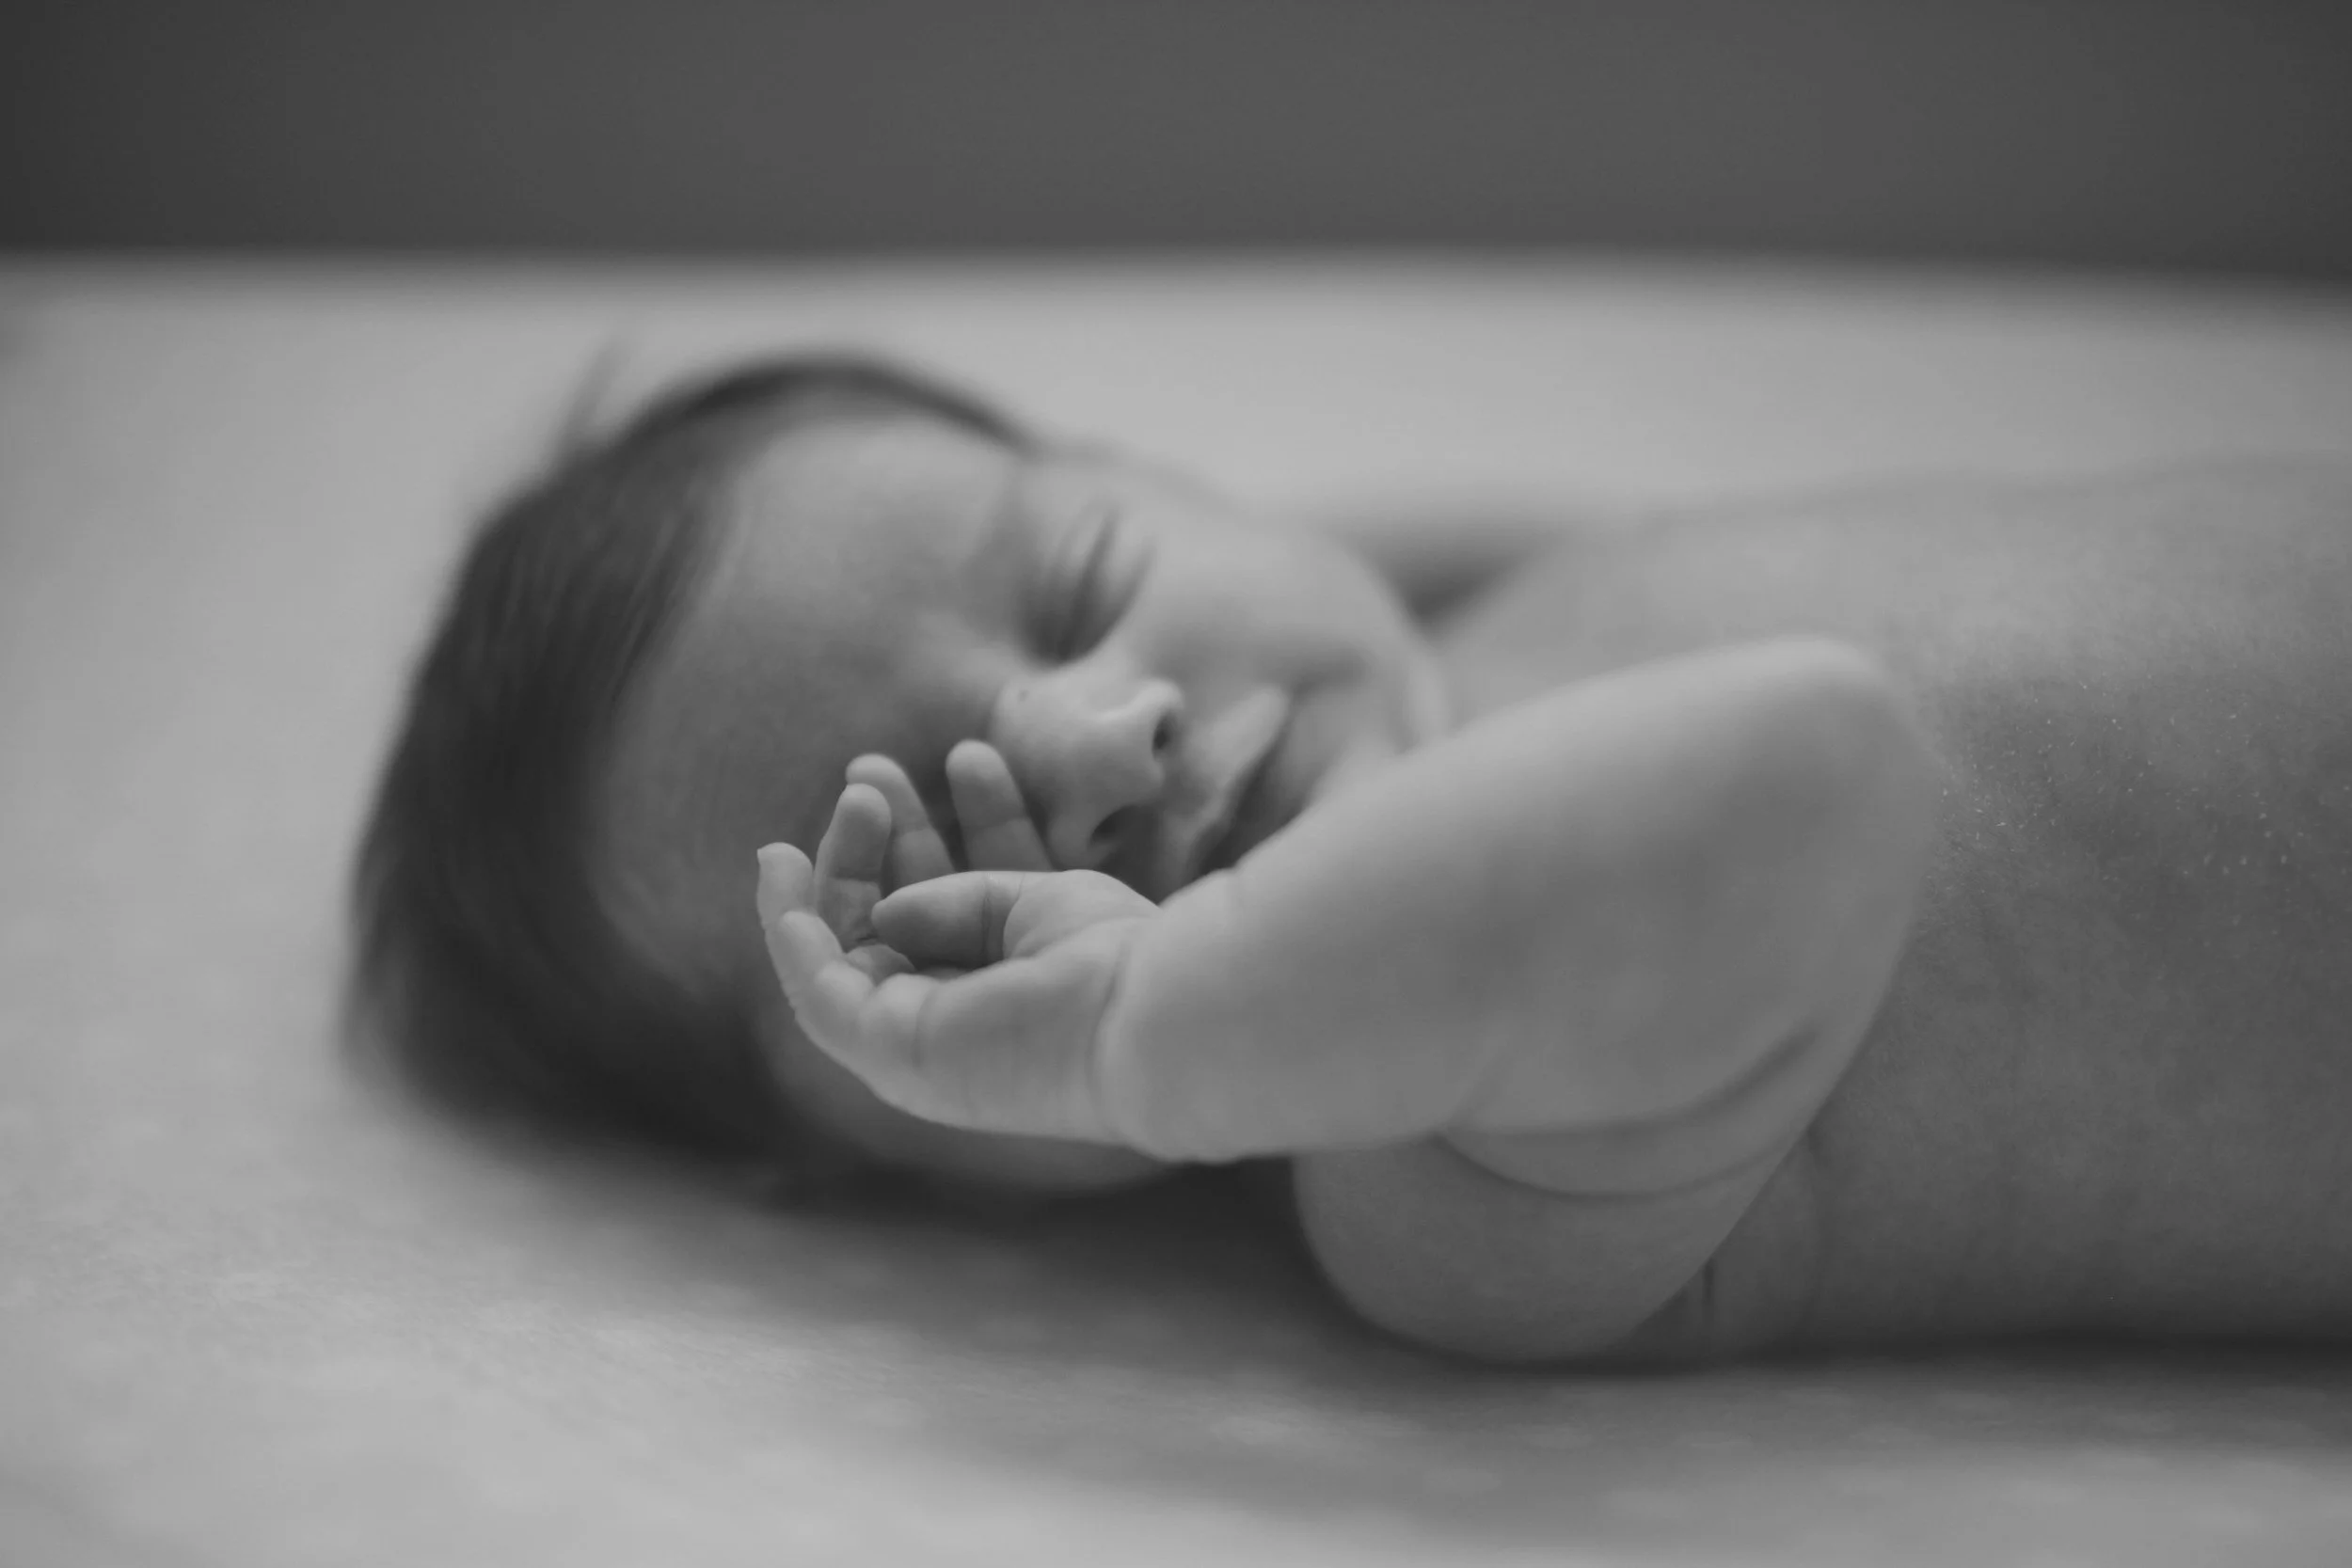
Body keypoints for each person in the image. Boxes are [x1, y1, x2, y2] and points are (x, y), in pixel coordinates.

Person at [358, 353, 2352, 1364]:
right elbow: (1805, 774)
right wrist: (1147, 1015)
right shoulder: (1442, 1188)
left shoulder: (1457, 635)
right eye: (932, 834)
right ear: (881, 1150)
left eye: (1079, 573)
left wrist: (1273, 576)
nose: (1097, 734)